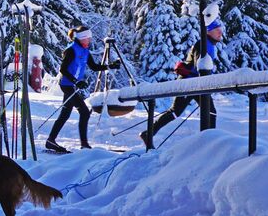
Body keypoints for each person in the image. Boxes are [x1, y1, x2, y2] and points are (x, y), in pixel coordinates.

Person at [140, 13, 226, 149]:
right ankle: (148, 134)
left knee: (211, 112)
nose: (220, 32)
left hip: (197, 84)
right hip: (189, 84)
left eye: (220, 29)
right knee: (175, 112)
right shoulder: (203, 45)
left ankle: (210, 143)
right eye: (217, 30)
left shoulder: (209, 44)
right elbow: (200, 67)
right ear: (209, 32)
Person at [45, 26, 120, 153]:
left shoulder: (85, 51)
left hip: (73, 85)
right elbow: (63, 69)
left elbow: (94, 67)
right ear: (82, 38)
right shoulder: (71, 50)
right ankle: (84, 144)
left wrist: (110, 66)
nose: (90, 40)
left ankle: (51, 141)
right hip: (67, 85)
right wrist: (76, 81)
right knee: (84, 112)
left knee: (65, 114)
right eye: (88, 38)